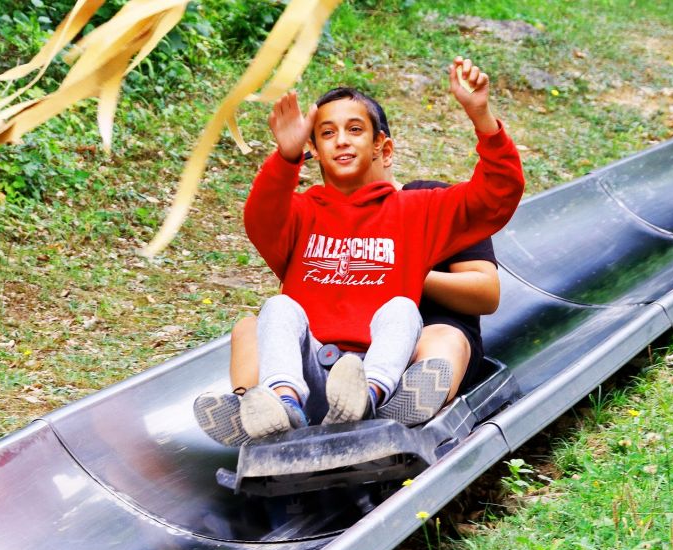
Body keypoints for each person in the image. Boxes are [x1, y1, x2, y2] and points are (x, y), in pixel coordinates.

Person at [196, 57, 522, 444]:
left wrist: (481, 116)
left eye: (355, 130)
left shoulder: (416, 209)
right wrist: (285, 157)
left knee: (401, 309)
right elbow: (261, 217)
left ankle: (369, 398)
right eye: (327, 133)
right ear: (313, 149)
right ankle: (281, 404)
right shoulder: (300, 214)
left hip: (376, 373)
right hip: (312, 373)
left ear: (380, 146)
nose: (342, 140)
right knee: (278, 308)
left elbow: (495, 195)